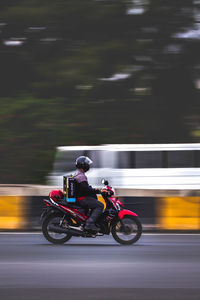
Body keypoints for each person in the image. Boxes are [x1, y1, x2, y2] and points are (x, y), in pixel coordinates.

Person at [74, 156, 106, 231]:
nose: (88, 166)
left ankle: (89, 220)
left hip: (80, 197)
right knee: (100, 205)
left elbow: (85, 188)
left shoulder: (78, 174)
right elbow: (86, 190)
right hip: (82, 199)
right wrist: (99, 191)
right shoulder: (81, 176)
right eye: (87, 164)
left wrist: (96, 190)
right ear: (83, 165)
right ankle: (90, 223)